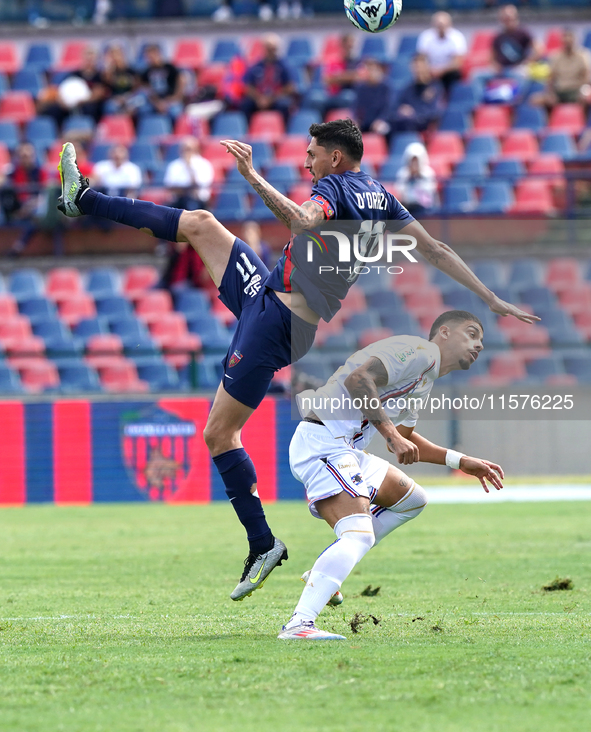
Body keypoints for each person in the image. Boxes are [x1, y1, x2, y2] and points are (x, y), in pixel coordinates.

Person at [56, 120, 538, 601]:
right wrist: (489, 297)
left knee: (218, 434)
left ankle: (263, 545)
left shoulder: (336, 187)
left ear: (334, 158)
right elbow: (434, 249)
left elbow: (303, 221)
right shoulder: (380, 195)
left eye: (311, 153)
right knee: (202, 224)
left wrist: (251, 174)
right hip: (270, 298)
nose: (305, 161)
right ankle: (84, 199)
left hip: (275, 324)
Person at [278, 310, 504, 640]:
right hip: (324, 440)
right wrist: (392, 437)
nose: (479, 344)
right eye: (471, 333)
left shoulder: (425, 379)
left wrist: (460, 461)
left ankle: (325, 569)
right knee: (358, 535)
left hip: (346, 448)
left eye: (481, 339)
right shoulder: (419, 352)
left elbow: (405, 437)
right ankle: (300, 624)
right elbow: (359, 380)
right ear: (443, 332)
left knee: (412, 500)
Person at [240, 34, 296, 124]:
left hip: (276, 99)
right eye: (268, 48)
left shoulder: (284, 66)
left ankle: (283, 129)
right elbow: (248, 86)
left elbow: (290, 87)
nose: (271, 51)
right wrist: (259, 99)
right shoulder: (256, 66)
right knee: (246, 105)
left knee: (284, 105)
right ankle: (247, 130)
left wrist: (271, 99)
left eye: (273, 49)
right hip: (259, 98)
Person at [530, 29, 591, 109]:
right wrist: (550, 93)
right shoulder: (556, 56)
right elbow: (551, 78)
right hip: (560, 92)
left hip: (576, 91)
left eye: (570, 39)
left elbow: (587, 77)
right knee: (535, 100)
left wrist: (584, 90)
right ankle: (549, 120)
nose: (568, 42)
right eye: (565, 40)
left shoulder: (583, 56)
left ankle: (582, 120)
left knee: (586, 98)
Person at [387, 53, 445, 137]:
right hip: (405, 123)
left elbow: (434, 111)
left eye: (420, 66)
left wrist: (413, 113)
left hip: (423, 125)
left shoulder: (435, 87)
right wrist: (401, 110)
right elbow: (395, 107)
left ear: (427, 67)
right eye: (415, 67)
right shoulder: (408, 88)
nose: (418, 70)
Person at [416, 11, 467, 93]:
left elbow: (457, 62)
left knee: (454, 74)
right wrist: (429, 69)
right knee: (420, 72)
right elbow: (421, 58)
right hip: (430, 70)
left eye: (443, 25)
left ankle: (450, 98)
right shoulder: (426, 36)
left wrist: (441, 70)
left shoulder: (457, 37)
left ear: (449, 24)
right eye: (438, 25)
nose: (441, 27)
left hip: (448, 71)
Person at [163, 136, 214, 209]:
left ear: (196, 149)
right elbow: (169, 186)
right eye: (184, 149)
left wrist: (189, 167)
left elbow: (199, 187)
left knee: (191, 204)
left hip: (198, 201)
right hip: (178, 200)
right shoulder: (174, 165)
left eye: (189, 149)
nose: (186, 152)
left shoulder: (204, 165)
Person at [140, 43, 185, 121]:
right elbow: (148, 91)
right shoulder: (146, 72)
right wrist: (157, 103)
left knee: (176, 112)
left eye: (152, 55)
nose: (151, 59)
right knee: (143, 110)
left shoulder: (169, 68)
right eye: (148, 57)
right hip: (155, 102)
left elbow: (182, 80)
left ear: (158, 54)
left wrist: (175, 97)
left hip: (170, 100)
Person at [393, 142, 439, 217]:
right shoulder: (403, 173)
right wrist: (409, 176)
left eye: (416, 161)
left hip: (423, 209)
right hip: (407, 207)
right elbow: (400, 191)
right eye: (412, 161)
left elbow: (429, 192)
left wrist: (418, 177)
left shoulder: (428, 173)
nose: (414, 164)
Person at [491, 4, 538, 73]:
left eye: (510, 18)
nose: (508, 21)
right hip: (501, 70)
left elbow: (539, 50)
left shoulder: (523, 33)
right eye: (505, 19)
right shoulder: (498, 37)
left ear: (516, 18)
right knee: (477, 76)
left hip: (518, 69)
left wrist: (527, 63)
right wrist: (495, 66)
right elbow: (491, 57)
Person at [352, 58, 392, 134]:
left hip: (380, 121)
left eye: (374, 70)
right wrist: (356, 120)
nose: (371, 72)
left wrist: (380, 119)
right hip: (364, 122)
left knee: (383, 129)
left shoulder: (386, 87)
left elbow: (388, 109)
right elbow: (355, 107)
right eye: (369, 69)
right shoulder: (361, 87)